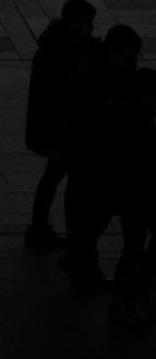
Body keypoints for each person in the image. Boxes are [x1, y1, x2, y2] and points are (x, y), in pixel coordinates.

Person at [61, 24, 142, 292]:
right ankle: (83, 264)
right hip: (94, 160)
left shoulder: (101, 72)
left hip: (94, 159)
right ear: (115, 52)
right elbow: (93, 124)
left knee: (92, 215)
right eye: (130, 55)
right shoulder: (97, 79)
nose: (134, 61)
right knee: (96, 213)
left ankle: (80, 261)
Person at [24, 0, 98, 250]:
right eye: (89, 23)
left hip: (61, 130)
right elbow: (59, 97)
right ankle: (42, 228)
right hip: (63, 130)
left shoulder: (58, 47)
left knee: (53, 177)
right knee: (60, 179)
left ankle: (40, 227)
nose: (91, 28)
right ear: (75, 23)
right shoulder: (61, 54)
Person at [105, 67, 156, 325]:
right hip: (139, 195)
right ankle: (130, 297)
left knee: (132, 249)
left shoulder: (127, 118)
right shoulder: (137, 125)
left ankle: (129, 297)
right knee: (133, 250)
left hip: (133, 195)